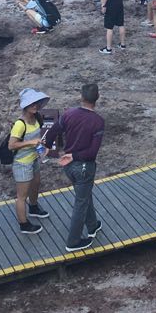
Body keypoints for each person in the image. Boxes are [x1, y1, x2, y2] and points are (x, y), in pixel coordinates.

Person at [44, 82, 105, 252]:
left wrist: (48, 147)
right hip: (84, 167)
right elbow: (92, 152)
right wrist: (75, 156)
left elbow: (53, 130)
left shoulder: (69, 113)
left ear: (81, 97)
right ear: (97, 98)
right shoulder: (98, 122)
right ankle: (73, 241)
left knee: (84, 195)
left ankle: (92, 226)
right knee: (81, 202)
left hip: (68, 166)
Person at [7, 89, 51, 235]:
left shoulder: (37, 118)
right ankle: (23, 224)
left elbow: (37, 140)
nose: (35, 106)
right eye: (32, 103)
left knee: (36, 184)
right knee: (21, 195)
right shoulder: (20, 124)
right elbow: (11, 145)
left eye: (37, 103)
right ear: (25, 106)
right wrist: (30, 142)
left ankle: (33, 207)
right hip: (22, 163)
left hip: (33, 159)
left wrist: (42, 150)